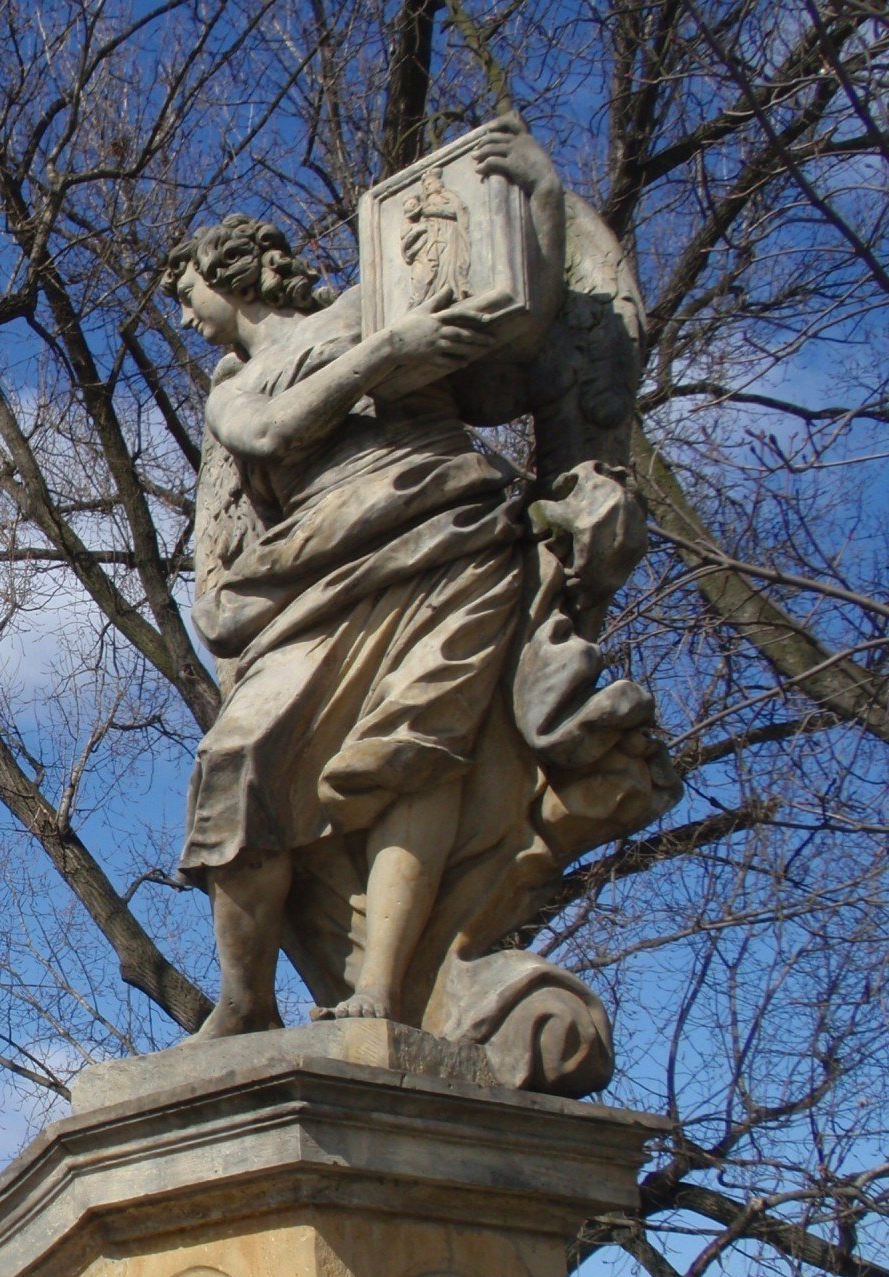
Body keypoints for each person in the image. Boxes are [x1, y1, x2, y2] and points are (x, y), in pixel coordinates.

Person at [166, 118, 669, 1094]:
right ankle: (245, 999)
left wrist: (515, 204)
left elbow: (503, 345)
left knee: (415, 758)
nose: (187, 321)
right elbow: (268, 429)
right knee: (237, 762)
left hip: (456, 538)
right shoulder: (236, 386)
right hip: (313, 582)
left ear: (230, 274)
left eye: (187, 295)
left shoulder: (373, 299)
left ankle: (385, 990)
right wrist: (384, 353)